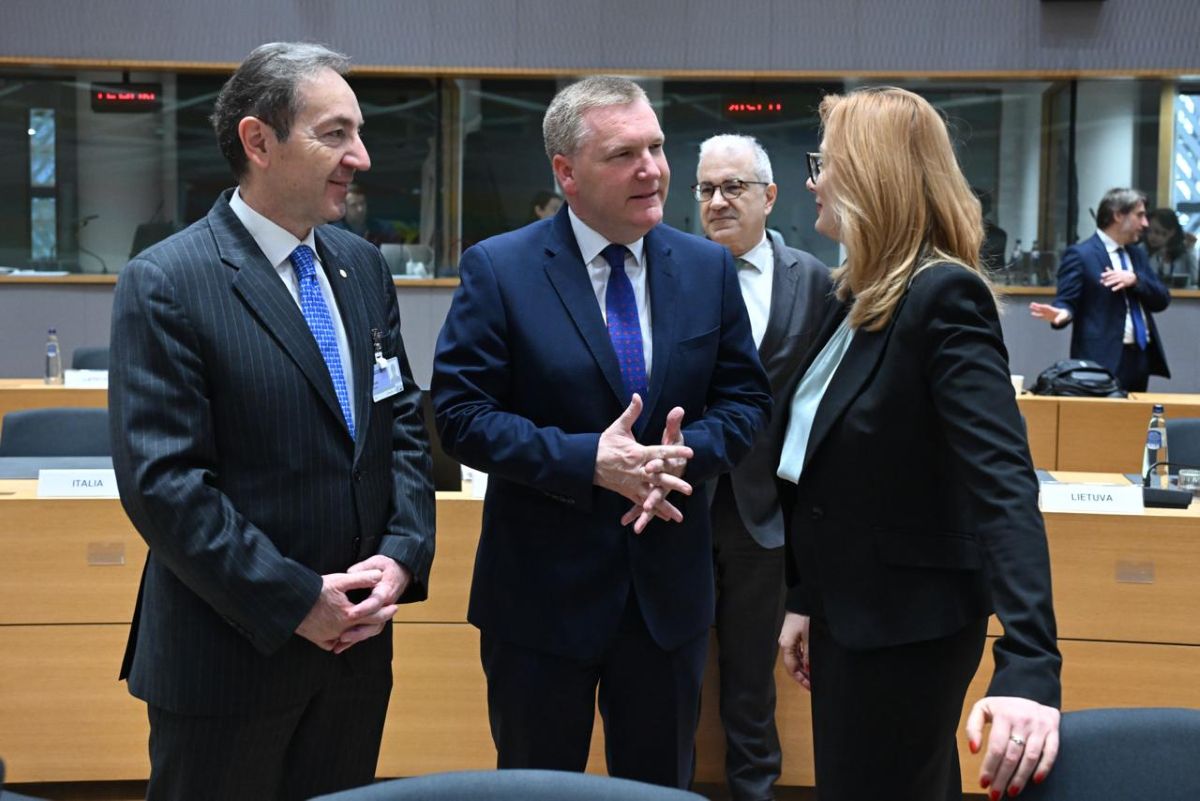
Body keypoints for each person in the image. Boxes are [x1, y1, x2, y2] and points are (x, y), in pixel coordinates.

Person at [108, 42, 436, 801]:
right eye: (335, 134)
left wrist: (402, 554)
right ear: (258, 141)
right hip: (229, 661)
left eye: (358, 133)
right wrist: (296, 601)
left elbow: (401, 427)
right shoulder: (168, 280)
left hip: (354, 658)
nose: (360, 157)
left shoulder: (362, 266)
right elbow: (166, 486)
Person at [431, 76, 771, 789]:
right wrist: (589, 459)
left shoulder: (706, 268)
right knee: (536, 790)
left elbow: (745, 402)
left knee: (657, 790)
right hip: (540, 601)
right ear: (567, 173)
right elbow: (461, 415)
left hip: (666, 600)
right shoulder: (501, 268)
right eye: (624, 154)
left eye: (656, 148)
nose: (652, 169)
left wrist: (680, 457)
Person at [776, 87, 1062, 801]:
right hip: (849, 613)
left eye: (824, 163)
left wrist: (1030, 662)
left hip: (906, 628)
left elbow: (1003, 484)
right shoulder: (856, 295)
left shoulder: (943, 296)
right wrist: (806, 596)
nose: (814, 180)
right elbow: (824, 468)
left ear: (871, 175)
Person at [694, 133, 832, 801]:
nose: (718, 201)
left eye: (734, 187)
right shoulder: (670, 270)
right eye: (706, 189)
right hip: (681, 504)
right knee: (672, 678)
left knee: (752, 685)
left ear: (770, 196)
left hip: (767, 515)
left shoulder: (816, 280)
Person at [1029, 188, 1171, 392]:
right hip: (1100, 359)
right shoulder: (1081, 255)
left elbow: (1162, 299)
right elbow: (1067, 301)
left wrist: (1135, 280)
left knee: (1136, 413)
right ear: (1118, 215)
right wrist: (1062, 313)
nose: (1145, 224)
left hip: (1139, 358)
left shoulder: (1137, 255)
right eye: (1140, 215)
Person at [1145, 207, 1197, 288]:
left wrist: (1191, 250)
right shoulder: (1143, 251)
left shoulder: (1185, 253)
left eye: (1157, 232)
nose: (1151, 236)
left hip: (1181, 295)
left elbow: (1194, 279)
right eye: (1149, 231)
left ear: (1172, 232)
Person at [334, 182, 395, 246]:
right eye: (353, 205)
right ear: (343, 207)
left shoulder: (384, 229)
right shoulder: (335, 232)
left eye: (362, 203)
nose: (360, 209)